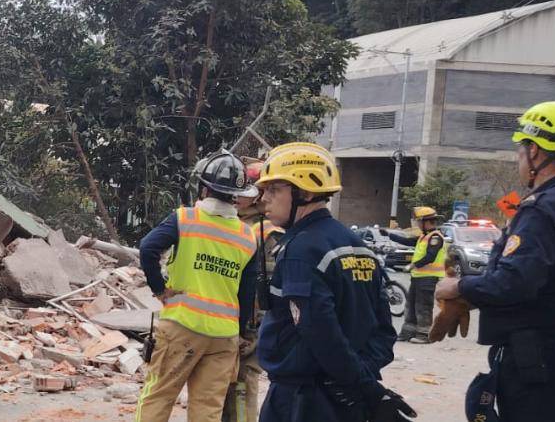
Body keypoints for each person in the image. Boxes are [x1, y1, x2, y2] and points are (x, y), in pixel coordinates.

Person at [433, 101, 555, 422]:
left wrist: (457, 286)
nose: (519, 156)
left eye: (521, 149)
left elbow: (513, 283)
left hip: (549, 357)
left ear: (535, 151)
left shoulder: (544, 208)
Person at [253, 142, 413, 422]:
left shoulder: (300, 251)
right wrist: (362, 382)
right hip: (346, 398)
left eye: (274, 189)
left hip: (304, 399)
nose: (263, 198)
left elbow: (319, 332)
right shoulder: (358, 246)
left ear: (304, 192)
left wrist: (359, 384)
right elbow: (385, 331)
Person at [136, 151, 261, 422]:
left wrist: (160, 290)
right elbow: (247, 292)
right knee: (207, 411)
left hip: (182, 326)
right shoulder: (247, 236)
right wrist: (241, 333)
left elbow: (148, 248)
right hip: (224, 337)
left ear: (204, 188)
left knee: (158, 396)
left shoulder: (184, 219)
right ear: (237, 196)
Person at [222, 160, 284, 422]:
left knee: (242, 383)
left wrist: (251, 329)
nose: (236, 196)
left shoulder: (268, 231)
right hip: (226, 317)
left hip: (249, 322)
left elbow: (268, 287)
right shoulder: (234, 222)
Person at [397, 207, 446, 343]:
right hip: (418, 277)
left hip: (428, 278)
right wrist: (388, 235)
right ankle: (408, 332)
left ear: (427, 222)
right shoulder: (424, 236)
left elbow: (430, 256)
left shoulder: (435, 237)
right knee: (411, 304)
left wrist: (413, 265)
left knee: (423, 306)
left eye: (419, 221)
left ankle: (424, 335)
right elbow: (407, 241)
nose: (417, 224)